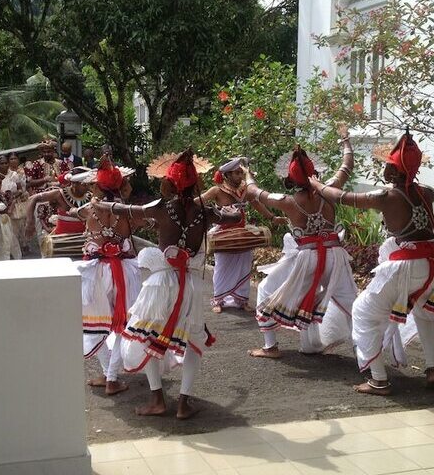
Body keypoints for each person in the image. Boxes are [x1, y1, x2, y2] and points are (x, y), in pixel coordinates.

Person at [92, 149, 241, 419]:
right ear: (197, 184)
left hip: (160, 284)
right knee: (192, 339)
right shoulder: (206, 212)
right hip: (192, 286)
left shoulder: (160, 208)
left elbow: (127, 209)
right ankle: (183, 403)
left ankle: (157, 399)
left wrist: (103, 206)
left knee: (147, 334)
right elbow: (232, 218)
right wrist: (229, 211)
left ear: (169, 184)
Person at [311, 129, 434, 395]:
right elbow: (416, 187)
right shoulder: (427, 193)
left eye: (388, 165)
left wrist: (316, 185)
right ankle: (432, 369)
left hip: (409, 266)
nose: (384, 168)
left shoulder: (386, 196)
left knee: (362, 312)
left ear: (395, 172)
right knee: (423, 315)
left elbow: (341, 197)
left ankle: (378, 379)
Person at [243, 131, 357, 359]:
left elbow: (254, 192)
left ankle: (270, 347)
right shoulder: (329, 189)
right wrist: (346, 142)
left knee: (266, 289)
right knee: (353, 307)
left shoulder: (288, 202)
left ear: (291, 179)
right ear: (314, 172)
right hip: (335, 254)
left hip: (307, 259)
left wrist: (247, 173)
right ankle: (365, 355)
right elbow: (347, 166)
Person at [72, 155, 141, 396]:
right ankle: (109, 376)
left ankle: (109, 375)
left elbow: (74, 212)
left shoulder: (88, 209)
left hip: (96, 274)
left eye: (93, 184)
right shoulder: (126, 211)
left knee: (96, 324)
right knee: (121, 324)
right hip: (122, 272)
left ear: (98, 186)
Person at [198, 157, 286, 313]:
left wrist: (273, 218)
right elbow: (199, 202)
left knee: (244, 267)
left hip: (243, 233)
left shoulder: (245, 190)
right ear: (227, 175)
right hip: (224, 234)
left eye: (241, 172)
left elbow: (257, 204)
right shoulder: (217, 190)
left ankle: (241, 300)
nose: (240, 176)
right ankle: (219, 300)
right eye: (237, 173)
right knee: (222, 267)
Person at [24, 168, 91, 243]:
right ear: (73, 183)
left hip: (84, 240)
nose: (88, 187)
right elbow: (32, 199)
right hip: (63, 241)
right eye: (84, 184)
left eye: (89, 184)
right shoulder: (59, 194)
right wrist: (30, 221)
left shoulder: (91, 196)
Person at [25, 139, 70, 236]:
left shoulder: (62, 164)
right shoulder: (37, 164)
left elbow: (69, 179)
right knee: (41, 228)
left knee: (59, 226)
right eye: (44, 152)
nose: (46, 154)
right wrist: (44, 180)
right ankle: (44, 250)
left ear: (53, 151)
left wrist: (61, 184)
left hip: (60, 200)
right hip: (41, 200)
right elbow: (29, 182)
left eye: (49, 151)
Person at [6, 152, 30, 253]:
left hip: (24, 199)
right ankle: (15, 248)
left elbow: (28, 184)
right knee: (13, 225)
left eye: (15, 158)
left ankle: (25, 244)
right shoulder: (6, 173)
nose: (13, 161)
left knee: (24, 223)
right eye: (11, 159)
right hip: (12, 201)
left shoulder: (23, 171)